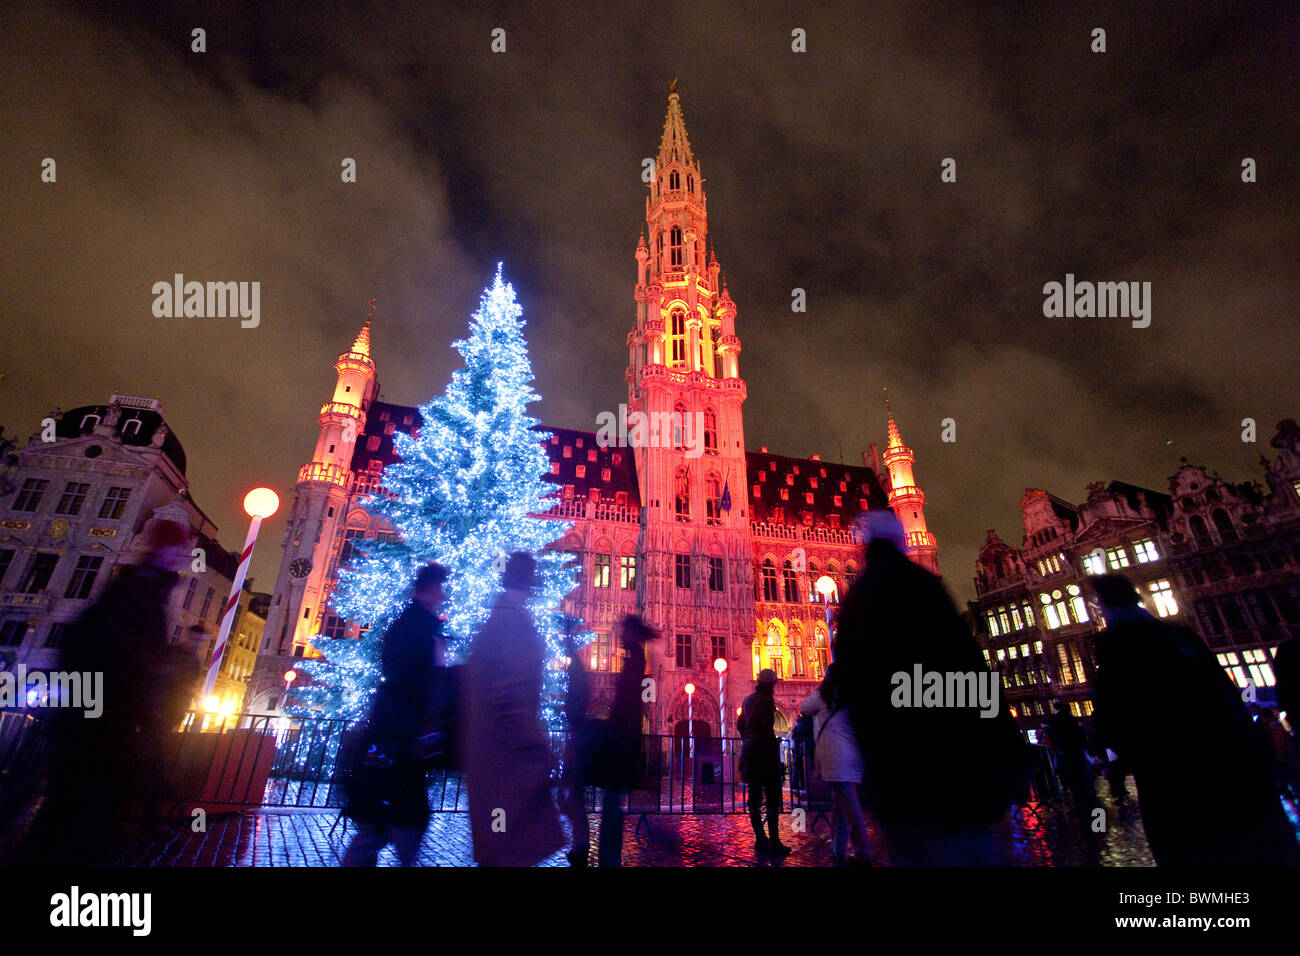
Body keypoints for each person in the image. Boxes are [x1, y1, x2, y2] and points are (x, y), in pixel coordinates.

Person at [834, 509, 1027, 866]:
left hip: (899, 772)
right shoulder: (924, 586)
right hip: (957, 762)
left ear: (863, 547)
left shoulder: (857, 600)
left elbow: (853, 687)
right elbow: (969, 667)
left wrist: (876, 766)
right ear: (900, 541)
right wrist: (1007, 747)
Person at [1090, 573, 1300, 866]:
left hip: (1172, 776)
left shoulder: (1115, 643)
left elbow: (1110, 719)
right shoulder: (1181, 635)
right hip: (1234, 766)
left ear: (1104, 606)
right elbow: (1226, 693)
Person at [22, 517, 193, 865]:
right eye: (177, 548)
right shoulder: (139, 590)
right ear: (163, 548)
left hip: (103, 719)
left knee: (79, 809)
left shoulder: (145, 587)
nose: (182, 556)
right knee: (75, 809)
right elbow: (127, 653)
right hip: (102, 721)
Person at [342, 562, 449, 866]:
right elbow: (432, 679)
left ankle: (365, 850)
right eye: (441, 587)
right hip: (407, 733)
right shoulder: (426, 627)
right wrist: (428, 726)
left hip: (385, 727)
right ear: (431, 588)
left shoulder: (402, 623)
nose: (444, 593)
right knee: (409, 818)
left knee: (380, 813)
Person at [462, 552, 564, 867]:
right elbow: (508, 696)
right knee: (507, 847)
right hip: (507, 760)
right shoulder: (512, 623)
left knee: (501, 848)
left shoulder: (500, 617)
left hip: (492, 755)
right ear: (528, 581)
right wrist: (538, 748)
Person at [593, 614, 656, 866]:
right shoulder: (635, 658)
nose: (620, 637)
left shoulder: (636, 660)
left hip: (622, 740)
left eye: (624, 632)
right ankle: (610, 856)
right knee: (613, 803)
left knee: (612, 804)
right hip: (623, 739)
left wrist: (614, 729)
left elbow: (628, 702)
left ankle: (609, 857)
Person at [799, 663, 871, 865]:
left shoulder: (824, 696)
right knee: (839, 805)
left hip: (836, 759)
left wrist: (822, 686)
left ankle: (863, 853)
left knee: (850, 808)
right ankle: (837, 849)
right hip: (852, 757)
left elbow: (804, 708)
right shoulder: (852, 697)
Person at [739, 668, 792, 857]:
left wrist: (746, 739)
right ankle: (774, 841)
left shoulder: (747, 700)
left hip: (749, 751)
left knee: (753, 798)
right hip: (765, 753)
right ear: (771, 684)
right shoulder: (766, 701)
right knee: (772, 797)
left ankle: (760, 839)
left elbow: (740, 724)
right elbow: (766, 729)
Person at [560, 621, 592, 866]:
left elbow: (578, 698)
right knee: (574, 796)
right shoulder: (577, 669)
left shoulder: (577, 670)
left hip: (578, 731)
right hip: (578, 730)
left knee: (574, 796)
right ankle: (579, 843)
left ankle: (581, 844)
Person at [1045, 701, 1095, 814]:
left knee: (1073, 779)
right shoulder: (1072, 720)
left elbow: (1053, 736)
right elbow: (1081, 736)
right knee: (1082, 778)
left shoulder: (1055, 721)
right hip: (1077, 752)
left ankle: (1080, 803)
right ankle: (1088, 802)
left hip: (1065, 754)